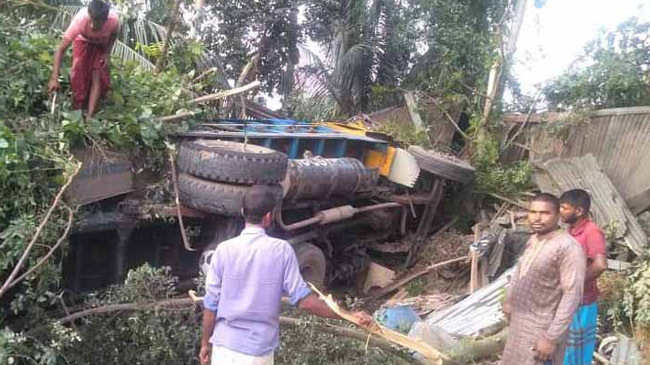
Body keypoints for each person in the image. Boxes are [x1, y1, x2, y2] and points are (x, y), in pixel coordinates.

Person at [200, 185, 373, 365]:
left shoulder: (223, 251)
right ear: (269, 216)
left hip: (223, 349)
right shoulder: (281, 251)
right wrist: (347, 315)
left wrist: (205, 344)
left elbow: (211, 305)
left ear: (243, 212)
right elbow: (305, 302)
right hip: (256, 354)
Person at [501, 193, 586, 365]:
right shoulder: (534, 239)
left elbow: (572, 295)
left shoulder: (568, 247)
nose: (537, 218)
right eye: (533, 212)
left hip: (542, 330)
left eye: (545, 213)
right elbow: (520, 270)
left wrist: (551, 338)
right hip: (519, 325)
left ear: (558, 216)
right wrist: (509, 300)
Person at [560, 189, 607, 365]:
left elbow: (600, 264)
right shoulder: (570, 231)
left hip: (582, 300)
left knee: (576, 352)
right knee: (565, 349)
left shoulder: (591, 232)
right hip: (567, 299)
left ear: (579, 211)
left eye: (565, 208)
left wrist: (576, 283)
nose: (561, 211)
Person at [48, 0, 119, 118]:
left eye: (96, 24)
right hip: (82, 41)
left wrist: (107, 53)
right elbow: (60, 50)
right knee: (78, 72)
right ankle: (77, 109)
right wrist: (54, 77)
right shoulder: (80, 21)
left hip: (101, 45)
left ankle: (90, 115)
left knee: (98, 76)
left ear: (105, 21)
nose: (92, 25)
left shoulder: (113, 21)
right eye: (91, 21)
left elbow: (114, 35)